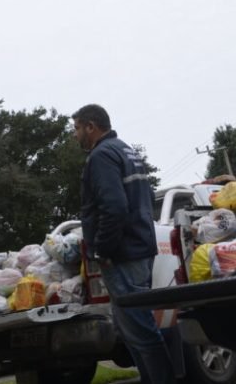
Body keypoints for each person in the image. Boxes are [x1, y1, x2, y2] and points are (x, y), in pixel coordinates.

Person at [72, 104, 176, 384]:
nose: (75, 135)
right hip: (139, 245)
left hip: (122, 253)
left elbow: (114, 206)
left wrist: (102, 249)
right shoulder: (125, 150)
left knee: (140, 331)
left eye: (77, 128)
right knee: (132, 330)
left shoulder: (102, 156)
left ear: (91, 127)